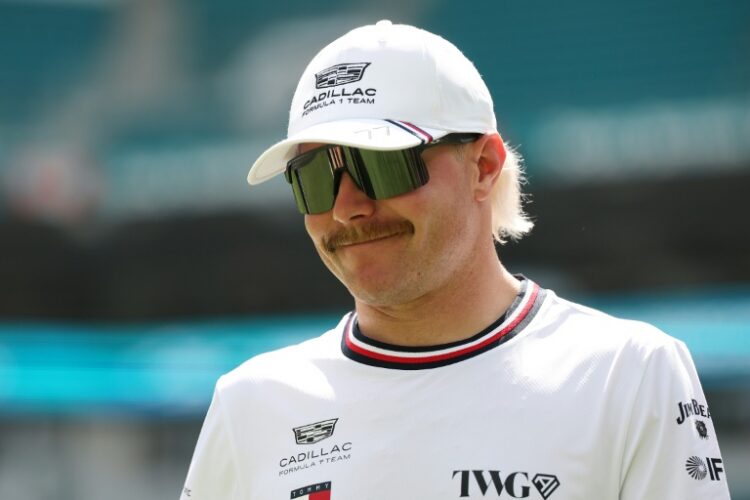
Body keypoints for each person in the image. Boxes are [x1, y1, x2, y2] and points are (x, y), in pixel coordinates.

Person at [181, 20, 729, 499]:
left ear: (484, 166)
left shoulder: (630, 374)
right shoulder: (249, 404)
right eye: (314, 179)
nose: (347, 208)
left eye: (382, 165)